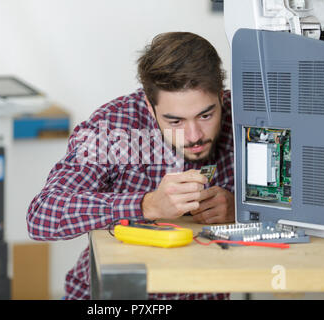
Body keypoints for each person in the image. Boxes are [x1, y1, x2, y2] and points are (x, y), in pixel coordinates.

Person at [27, 32, 235, 300]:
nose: (193, 135)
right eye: (175, 122)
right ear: (150, 106)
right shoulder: (113, 127)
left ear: (221, 96)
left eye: (205, 115)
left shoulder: (249, 115)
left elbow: (299, 197)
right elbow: (43, 215)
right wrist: (146, 205)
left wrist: (241, 209)